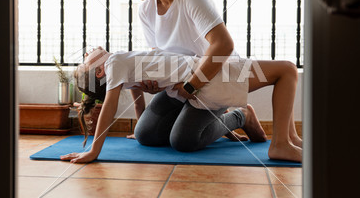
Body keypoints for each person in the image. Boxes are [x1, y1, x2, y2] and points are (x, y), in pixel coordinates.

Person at [118, 0, 260, 154]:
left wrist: (191, 86)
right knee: (146, 135)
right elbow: (159, 54)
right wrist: (155, 83)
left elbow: (223, 45)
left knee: (184, 141)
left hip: (213, 79)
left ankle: (242, 115)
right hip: (180, 84)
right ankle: (205, 120)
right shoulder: (145, 9)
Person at [61, 46, 302, 164]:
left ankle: (285, 140)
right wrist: (94, 151)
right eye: (86, 62)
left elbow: (135, 90)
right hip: (209, 76)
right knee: (287, 69)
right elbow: (111, 107)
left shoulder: (120, 64)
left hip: (200, 80)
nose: (86, 54)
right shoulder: (114, 62)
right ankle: (278, 142)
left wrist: (139, 123)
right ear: (101, 71)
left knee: (285, 71)